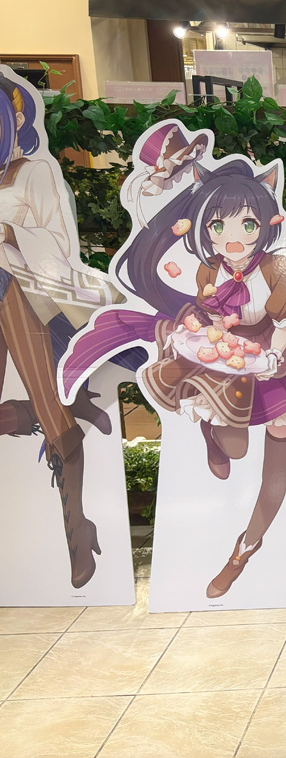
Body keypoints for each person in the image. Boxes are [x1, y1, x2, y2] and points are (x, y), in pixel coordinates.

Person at [63, 156, 286, 598]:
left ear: (266, 223)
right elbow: (211, 321)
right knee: (235, 447)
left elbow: (282, 326)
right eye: (217, 225)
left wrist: (271, 357)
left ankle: (242, 553)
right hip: (229, 358)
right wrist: (210, 337)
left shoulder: (277, 269)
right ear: (204, 228)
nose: (232, 238)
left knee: (276, 474)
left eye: (246, 224)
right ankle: (212, 432)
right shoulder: (209, 269)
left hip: (283, 357)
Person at [0, 72, 116, 588]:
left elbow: (61, 244)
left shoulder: (34, 172)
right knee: (46, 411)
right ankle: (48, 412)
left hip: (19, 295)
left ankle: (77, 530)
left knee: (50, 410)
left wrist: (9, 232)